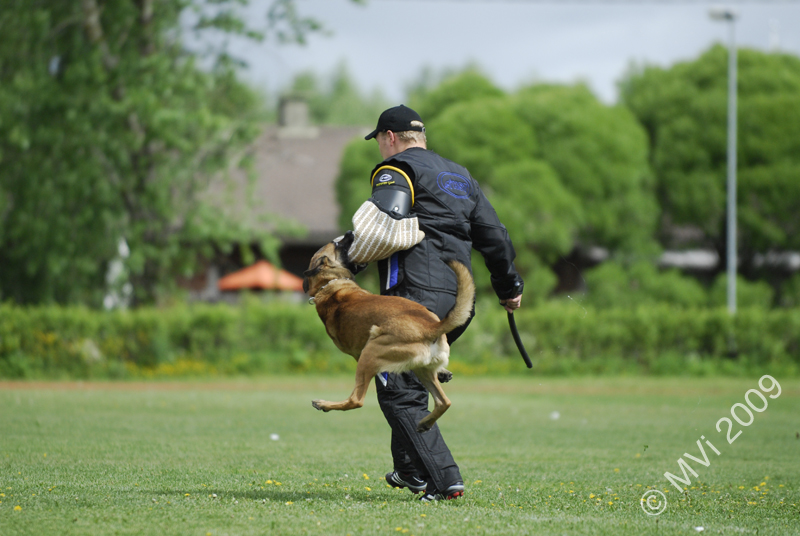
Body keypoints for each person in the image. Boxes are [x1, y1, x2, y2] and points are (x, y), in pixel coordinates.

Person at [348, 104, 523, 501]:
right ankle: (410, 471)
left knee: (397, 390)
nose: (379, 148)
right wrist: (509, 285)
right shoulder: (460, 176)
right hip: (459, 302)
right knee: (410, 379)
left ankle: (445, 482)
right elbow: (495, 237)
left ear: (389, 138)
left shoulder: (395, 169)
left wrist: (344, 263)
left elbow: (384, 222)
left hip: (413, 295)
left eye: (378, 141)